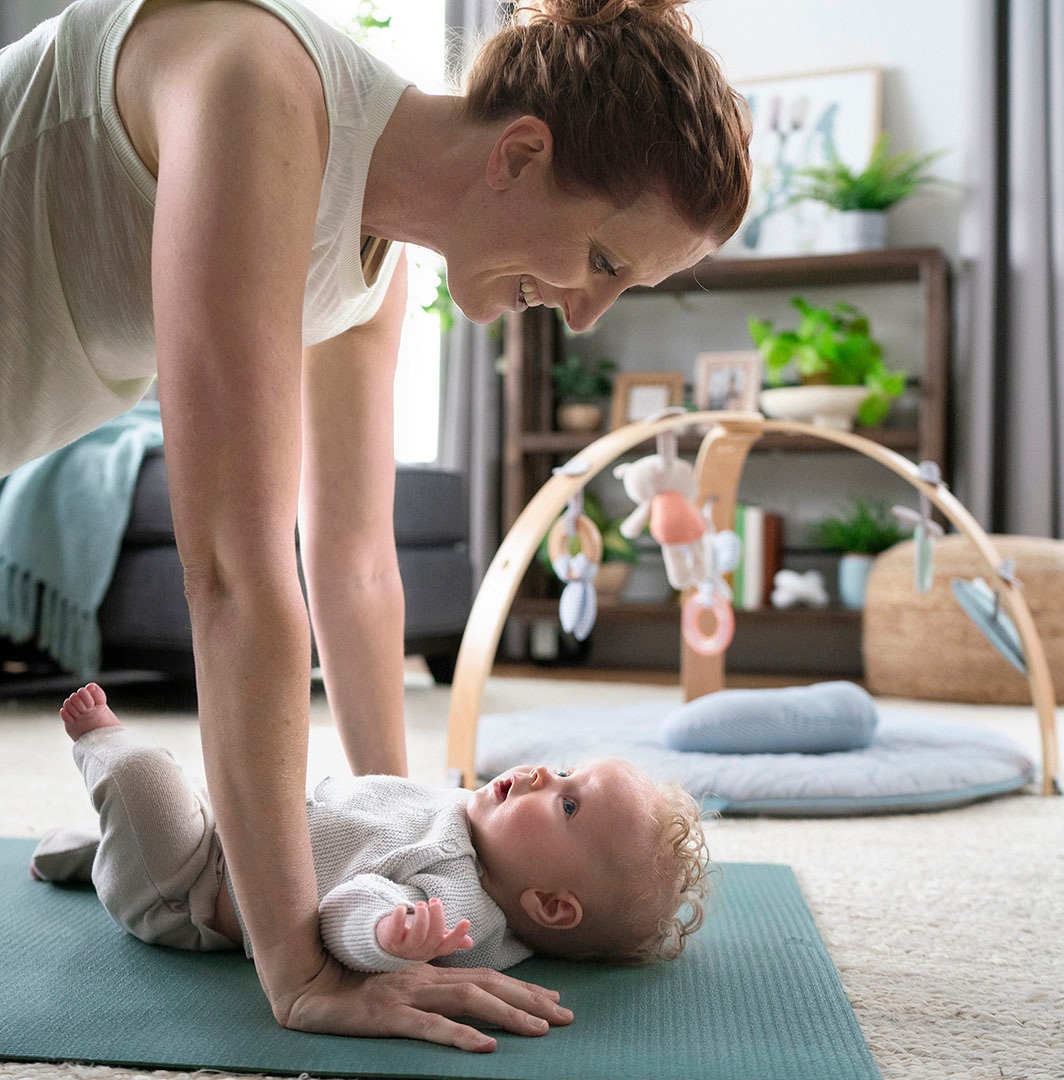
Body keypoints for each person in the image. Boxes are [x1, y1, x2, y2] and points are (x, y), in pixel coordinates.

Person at [1, 0, 751, 1047]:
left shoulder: (372, 272)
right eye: (609, 262)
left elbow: (352, 569)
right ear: (521, 154)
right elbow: (234, 570)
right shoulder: (260, 88)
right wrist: (299, 969)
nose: (587, 314)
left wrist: (405, 831)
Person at [33, 683, 710, 974]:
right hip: (229, 828)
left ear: (552, 905)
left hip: (189, 892)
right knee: (175, 810)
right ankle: (86, 857)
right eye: (565, 771)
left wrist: (388, 937)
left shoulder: (463, 913)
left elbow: (348, 910)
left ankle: (103, 749)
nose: (541, 775)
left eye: (568, 805)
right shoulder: (473, 821)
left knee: (149, 777)